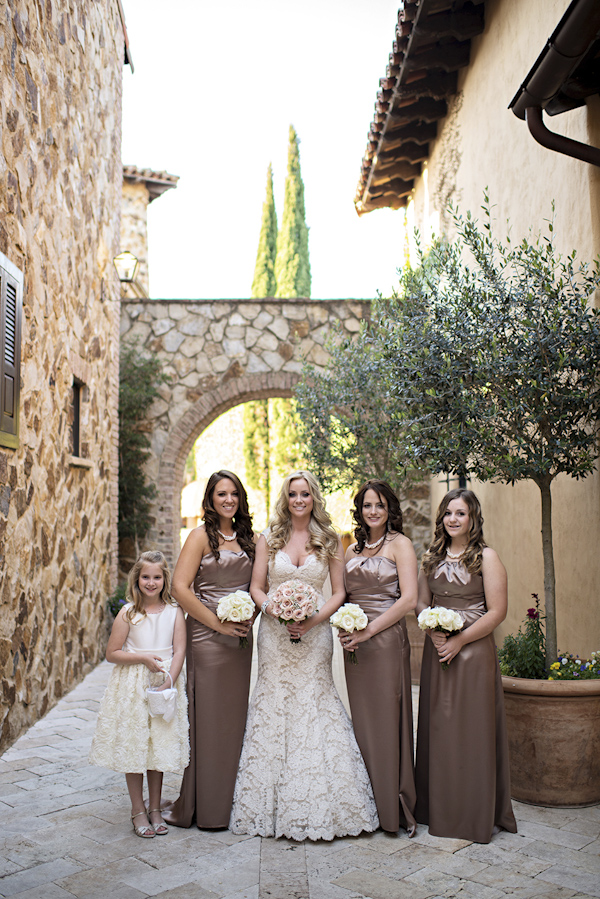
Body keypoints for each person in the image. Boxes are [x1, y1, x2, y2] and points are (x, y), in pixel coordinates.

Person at [230, 470, 379, 841]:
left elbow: (339, 593)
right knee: (274, 705)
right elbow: (256, 587)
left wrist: (311, 621)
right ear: (286, 498)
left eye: (305, 494)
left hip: (315, 637)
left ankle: (327, 803)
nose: (299, 500)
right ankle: (268, 804)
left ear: (314, 498)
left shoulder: (328, 539)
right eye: (293, 494)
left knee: (315, 704)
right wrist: (275, 612)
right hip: (274, 638)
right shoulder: (269, 539)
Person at [415, 488, 517, 843]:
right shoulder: (431, 557)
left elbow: (497, 611)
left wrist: (460, 640)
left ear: (473, 518)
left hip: (473, 652)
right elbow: (419, 602)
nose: (453, 519)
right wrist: (432, 630)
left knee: (471, 732)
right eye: (448, 513)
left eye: (460, 513)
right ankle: (438, 808)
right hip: (438, 648)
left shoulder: (486, 558)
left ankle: (472, 814)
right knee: (439, 729)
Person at [162, 470, 255, 830]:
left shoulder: (251, 540)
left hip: (239, 641)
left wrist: (249, 617)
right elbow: (180, 588)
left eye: (233, 493)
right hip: (206, 636)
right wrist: (218, 624)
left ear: (240, 498)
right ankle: (203, 805)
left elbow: (257, 587)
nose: (228, 500)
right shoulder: (199, 536)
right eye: (221, 494)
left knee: (232, 721)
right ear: (210, 499)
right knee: (207, 720)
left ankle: (226, 800)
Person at [89, 551, 188, 838]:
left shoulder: (174, 612)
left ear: (164, 579)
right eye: (146, 576)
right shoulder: (128, 613)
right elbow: (112, 653)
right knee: (135, 746)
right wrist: (143, 658)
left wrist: (170, 680)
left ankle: (155, 808)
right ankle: (138, 810)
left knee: (158, 746)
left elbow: (180, 650)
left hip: (165, 683)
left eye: (157, 577)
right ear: (137, 578)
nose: (151, 582)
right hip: (132, 685)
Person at [340, 480, 418, 835]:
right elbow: (343, 595)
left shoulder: (400, 545)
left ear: (390, 510)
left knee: (386, 723)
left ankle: (392, 806)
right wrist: (345, 628)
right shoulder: (350, 549)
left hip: (385, 642)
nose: (373, 511)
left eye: (380, 505)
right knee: (363, 723)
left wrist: (368, 631)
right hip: (355, 648)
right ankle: (366, 805)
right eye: (367, 505)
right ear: (360, 509)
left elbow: (408, 600)